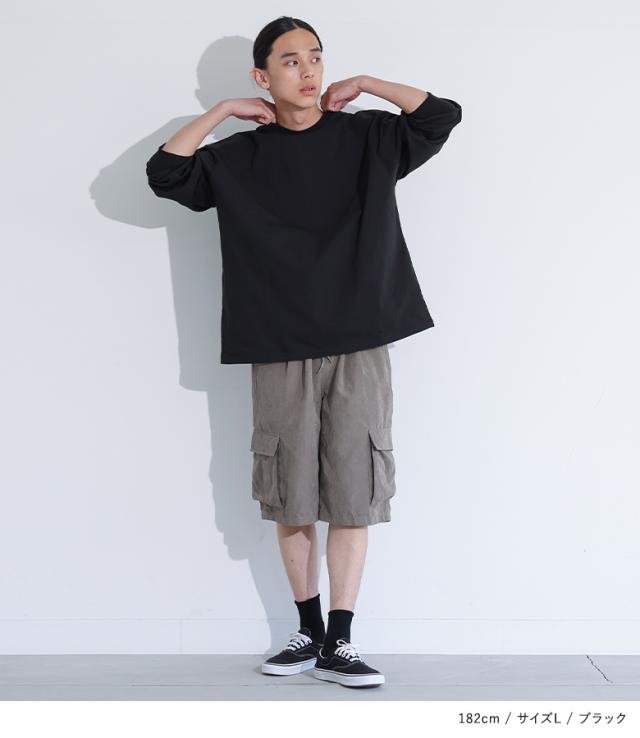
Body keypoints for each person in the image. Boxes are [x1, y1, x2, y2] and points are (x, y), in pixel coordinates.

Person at [146, 15, 462, 689]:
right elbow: (165, 173)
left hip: (359, 341)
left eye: (315, 56)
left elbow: (441, 115)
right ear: (263, 76)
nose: (308, 69)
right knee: (291, 494)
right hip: (278, 341)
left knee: (354, 491)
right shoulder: (238, 157)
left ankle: (341, 641)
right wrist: (224, 110)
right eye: (290, 60)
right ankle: (307, 632)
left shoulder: (367, 136)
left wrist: (367, 83)